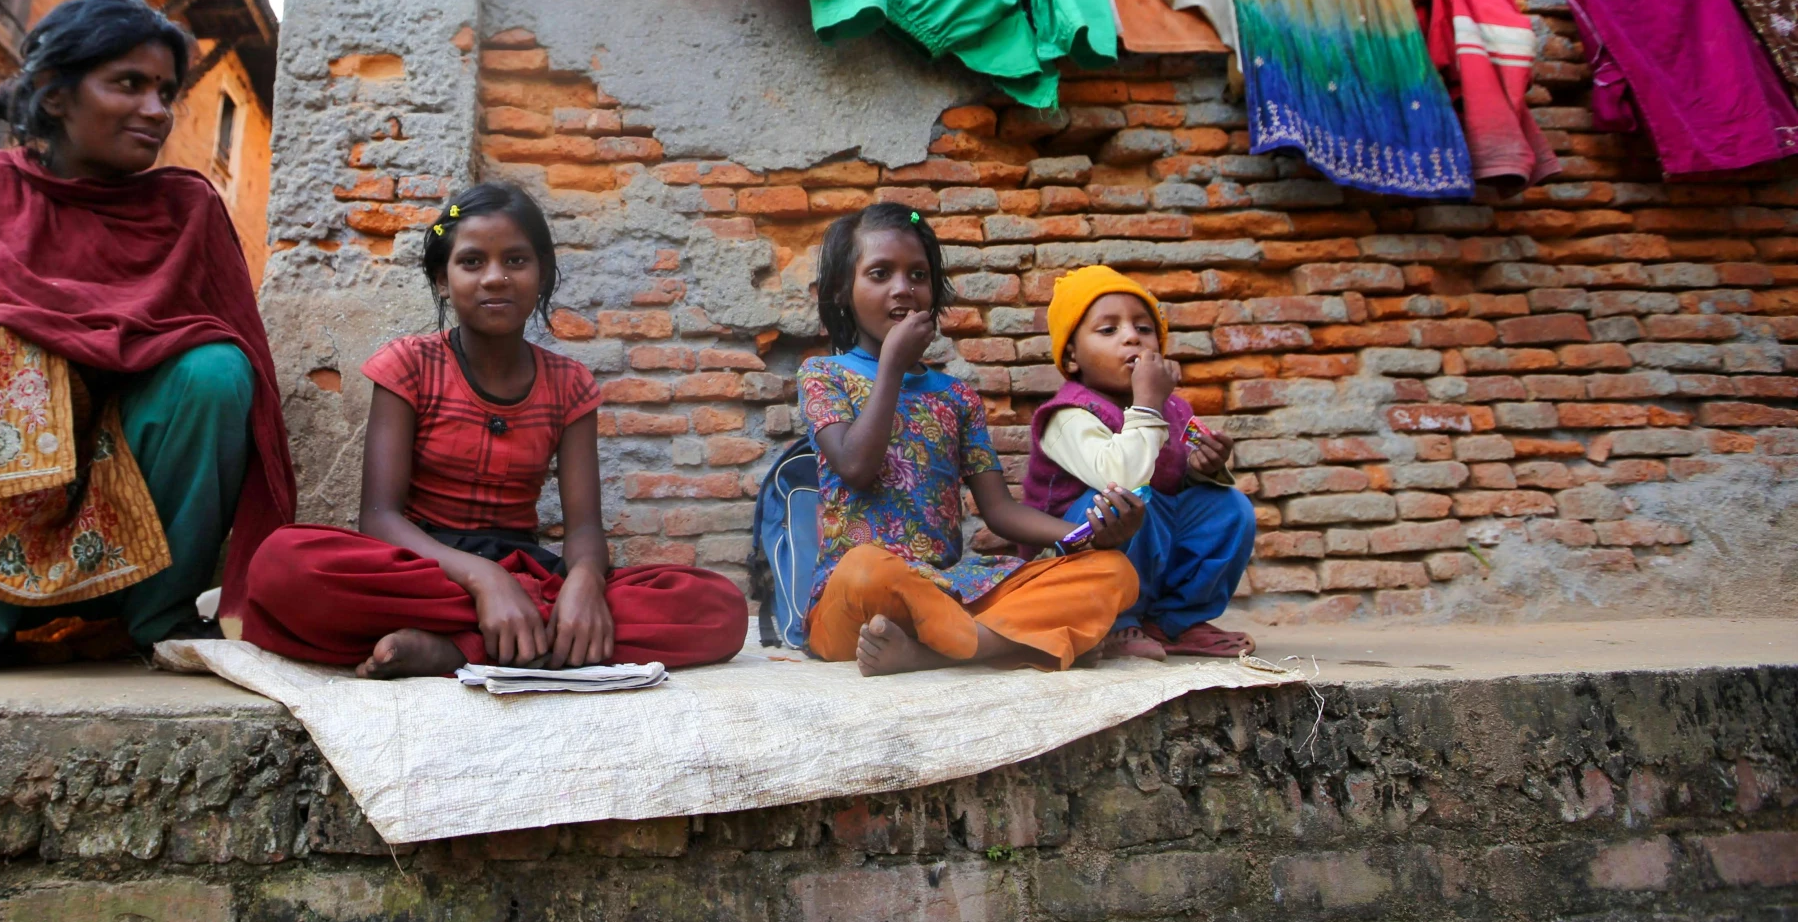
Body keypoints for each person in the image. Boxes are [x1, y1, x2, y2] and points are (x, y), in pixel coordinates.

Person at [0, 0, 294, 681]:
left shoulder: (187, 207)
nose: (158, 110)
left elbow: (244, 375)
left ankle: (161, 616)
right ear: (53, 94)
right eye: (129, 84)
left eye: (165, 91)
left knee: (218, 369)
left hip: (128, 470)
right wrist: (41, 357)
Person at [239, 182, 749, 678]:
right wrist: (484, 580)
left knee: (719, 608)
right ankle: (524, 636)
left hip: (525, 568)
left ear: (543, 275)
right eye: (472, 261)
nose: (495, 277)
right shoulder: (408, 366)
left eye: (516, 260)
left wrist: (585, 584)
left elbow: (586, 528)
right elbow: (379, 519)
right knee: (283, 566)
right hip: (423, 564)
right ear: (443, 279)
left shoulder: (570, 385)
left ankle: (459, 649)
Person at [799, 202, 1145, 676]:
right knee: (865, 568)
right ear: (843, 290)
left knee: (1113, 571)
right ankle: (1001, 641)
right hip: (857, 602)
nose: (903, 289)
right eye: (880, 274)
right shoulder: (823, 375)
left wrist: (1089, 536)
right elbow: (855, 467)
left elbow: (1000, 512)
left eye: (918, 275)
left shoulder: (956, 396)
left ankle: (935, 649)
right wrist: (892, 370)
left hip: (946, 589)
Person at [1023, 265, 1258, 660]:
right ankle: (1116, 624)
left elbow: (1169, 481)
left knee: (1230, 508)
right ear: (1073, 357)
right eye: (1108, 330)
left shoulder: (1172, 408)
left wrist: (1201, 468)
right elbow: (1122, 477)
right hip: (1071, 563)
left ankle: (1172, 623)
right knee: (1127, 499)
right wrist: (1148, 403)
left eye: (1144, 329)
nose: (1132, 336)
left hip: (1146, 535)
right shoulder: (1066, 416)